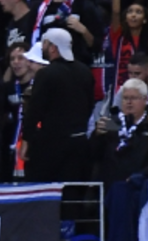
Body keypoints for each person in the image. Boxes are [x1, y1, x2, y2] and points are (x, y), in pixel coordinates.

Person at [20, 28, 95, 183]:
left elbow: (35, 110)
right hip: (80, 143)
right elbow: (89, 105)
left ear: (53, 47)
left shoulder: (46, 74)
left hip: (52, 145)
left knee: (48, 191)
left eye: (45, 44)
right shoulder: (85, 71)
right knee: (73, 193)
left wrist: (27, 138)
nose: (42, 47)